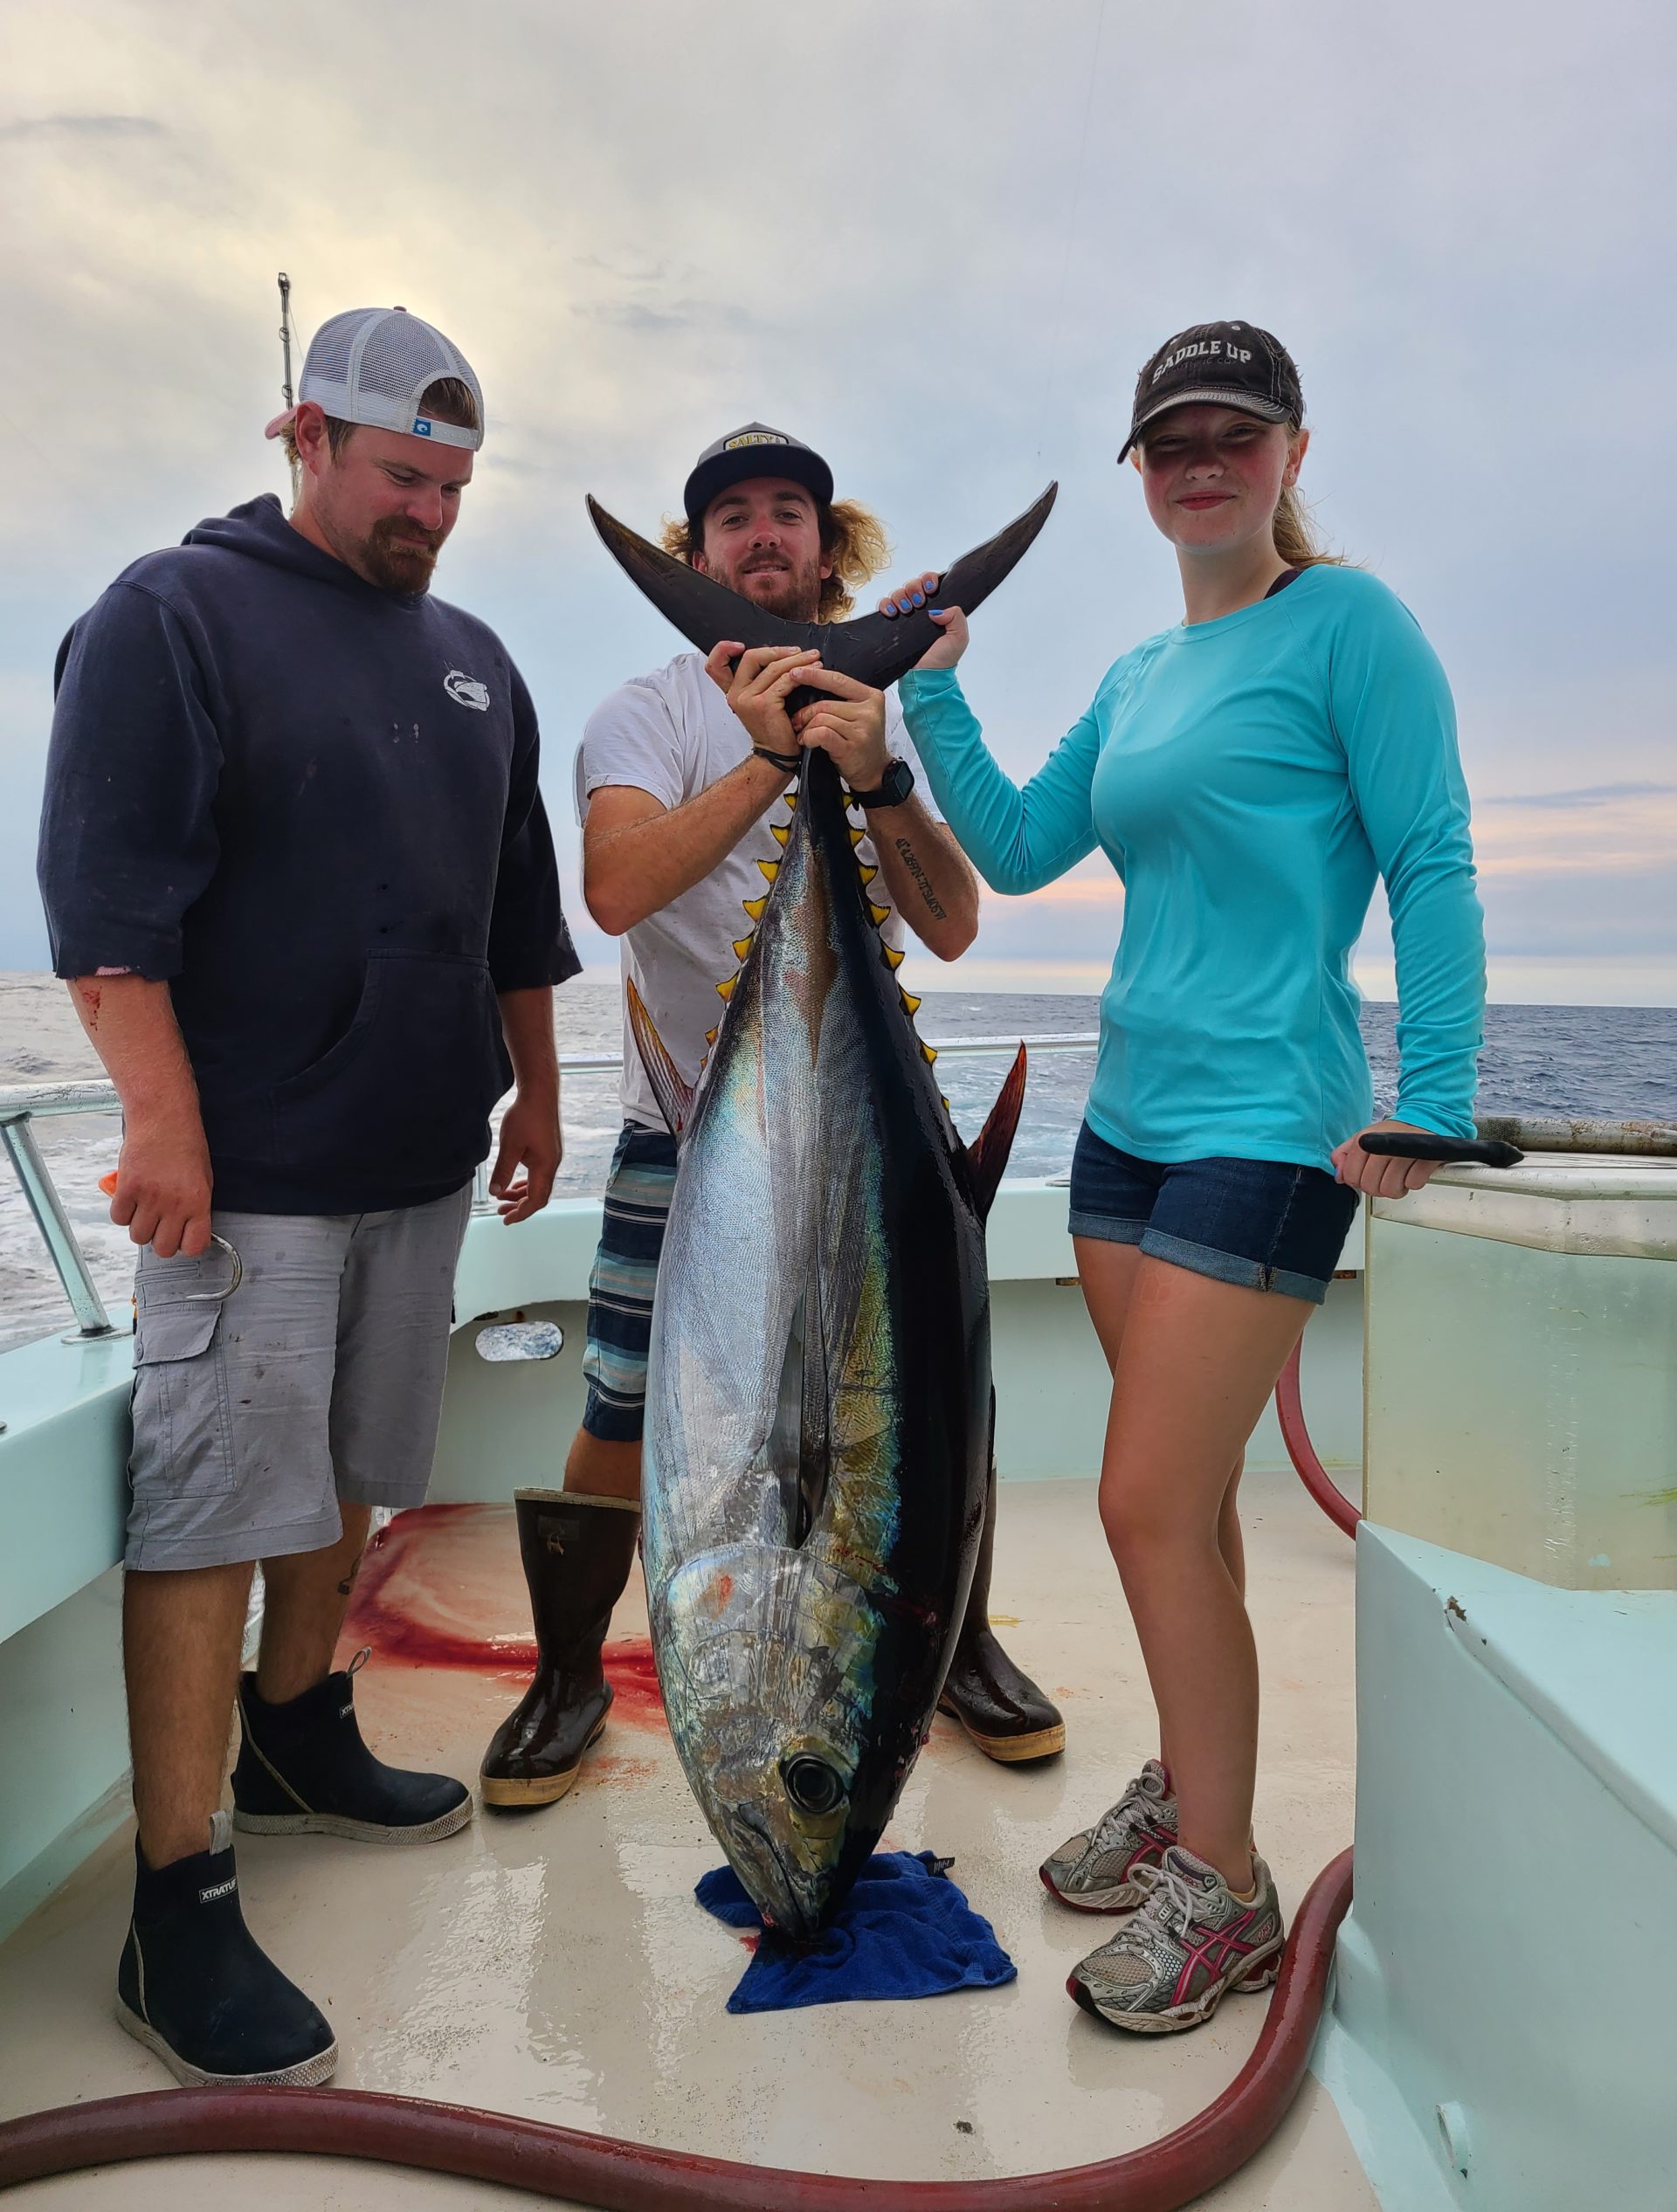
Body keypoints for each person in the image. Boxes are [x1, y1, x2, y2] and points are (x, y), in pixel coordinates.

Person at [875, 323, 1485, 2033]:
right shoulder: (1143, 674)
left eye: (1235, 432)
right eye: (1170, 441)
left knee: (1140, 1500)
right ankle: (1186, 1778)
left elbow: (1433, 857)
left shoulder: (1352, 626)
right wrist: (930, 681)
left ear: (1292, 450)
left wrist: (1430, 1100)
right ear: (1142, 471)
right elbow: (1012, 843)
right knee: (1192, 1506)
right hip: (1126, 1122)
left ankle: (1225, 1881)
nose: (1200, 461)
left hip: (1271, 1122)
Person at [38, 307, 581, 2087]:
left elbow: (517, 918)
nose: (429, 507)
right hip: (247, 1178)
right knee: (207, 1509)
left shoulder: (477, 658)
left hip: (415, 1166)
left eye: (453, 483)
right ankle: (175, 1894)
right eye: (401, 473)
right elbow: (109, 900)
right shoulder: (171, 614)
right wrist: (164, 1121)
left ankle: (301, 1725)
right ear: (305, 434)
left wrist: (542, 1096)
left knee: (358, 1467)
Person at [478, 424, 1065, 1809]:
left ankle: (951, 1648)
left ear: (824, 540)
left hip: (866, 1140)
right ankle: (569, 1676)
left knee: (930, 1407)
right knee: (627, 1398)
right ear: (696, 557)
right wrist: (762, 760)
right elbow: (615, 893)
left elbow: (958, 926)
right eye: (732, 517)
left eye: (787, 512)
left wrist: (875, 770)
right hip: (692, 1124)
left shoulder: (882, 714)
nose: (761, 536)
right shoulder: (648, 711)